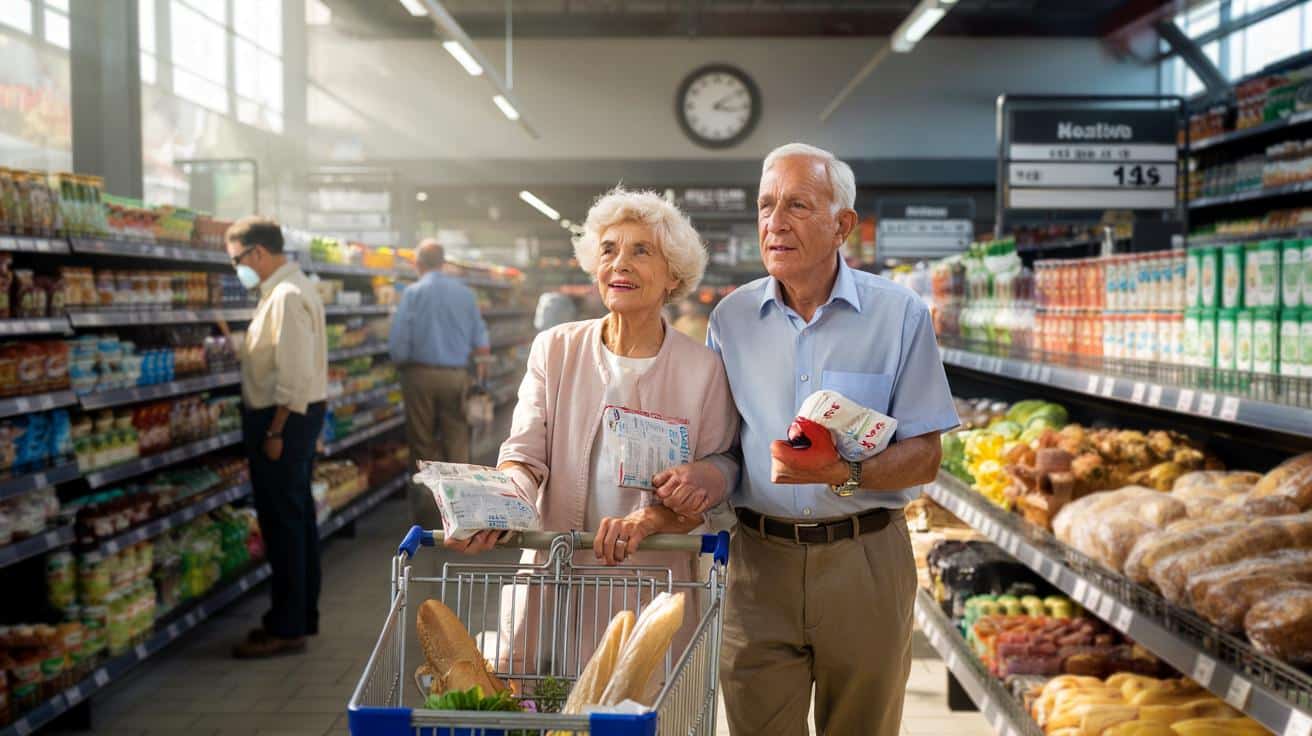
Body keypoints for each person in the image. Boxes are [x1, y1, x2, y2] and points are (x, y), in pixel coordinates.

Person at [671, 143, 959, 735]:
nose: (774, 222)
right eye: (765, 206)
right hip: (759, 564)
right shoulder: (730, 320)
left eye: (797, 205)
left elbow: (927, 455)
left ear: (842, 225)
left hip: (866, 559)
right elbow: (726, 447)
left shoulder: (898, 314)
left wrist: (843, 474)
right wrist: (705, 473)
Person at [444, 186, 738, 675]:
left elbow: (710, 489)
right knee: (547, 704)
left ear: (673, 276)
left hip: (650, 591)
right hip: (553, 576)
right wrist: (497, 506)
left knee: (640, 709)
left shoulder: (703, 371)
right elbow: (523, 454)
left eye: (641, 251)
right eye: (608, 250)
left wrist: (655, 517)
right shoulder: (555, 350)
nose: (619, 263)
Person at [218, 216, 329, 659]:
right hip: (294, 417)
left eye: (236, 260)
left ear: (258, 253)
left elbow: (295, 371)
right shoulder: (289, 290)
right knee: (296, 520)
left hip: (283, 420)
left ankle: (286, 626)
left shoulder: (285, 295)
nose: (236, 269)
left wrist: (277, 429)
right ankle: (298, 618)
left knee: (284, 525)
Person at [388, 240, 491, 530]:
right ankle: (459, 514)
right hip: (457, 375)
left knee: (422, 445)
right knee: (457, 442)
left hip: (419, 375)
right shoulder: (465, 294)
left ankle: (427, 517)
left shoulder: (412, 293)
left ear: (418, 264)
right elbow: (480, 339)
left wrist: (402, 363)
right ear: (443, 263)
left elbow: (398, 341)